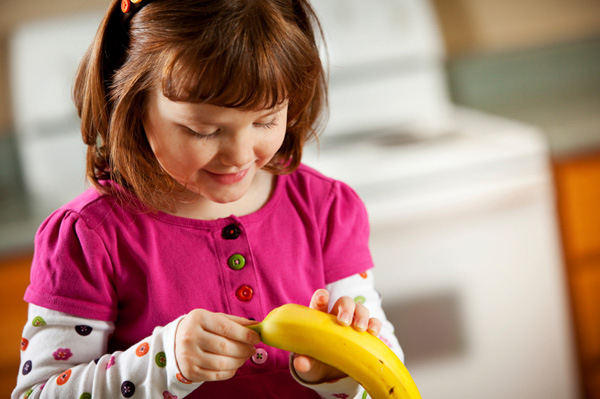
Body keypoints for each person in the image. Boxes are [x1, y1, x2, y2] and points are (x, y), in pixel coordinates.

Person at [12, 0, 403, 398]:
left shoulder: (326, 209)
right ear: (134, 106)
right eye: (203, 130)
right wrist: (163, 361)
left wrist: (336, 375)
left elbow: (389, 376)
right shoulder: (87, 238)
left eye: (266, 120)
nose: (239, 154)